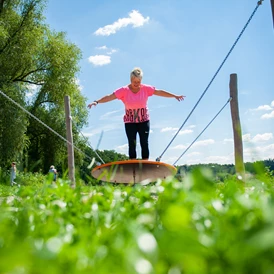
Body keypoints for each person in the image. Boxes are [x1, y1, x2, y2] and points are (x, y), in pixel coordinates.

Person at [88, 67, 185, 160]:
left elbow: (159, 92)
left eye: (138, 82)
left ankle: (145, 165)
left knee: (144, 142)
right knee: (132, 143)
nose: (136, 84)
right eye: (134, 82)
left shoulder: (146, 89)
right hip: (130, 121)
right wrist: (96, 101)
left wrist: (174, 96)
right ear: (130, 80)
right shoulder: (124, 90)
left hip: (144, 120)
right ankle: (133, 165)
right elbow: (110, 97)